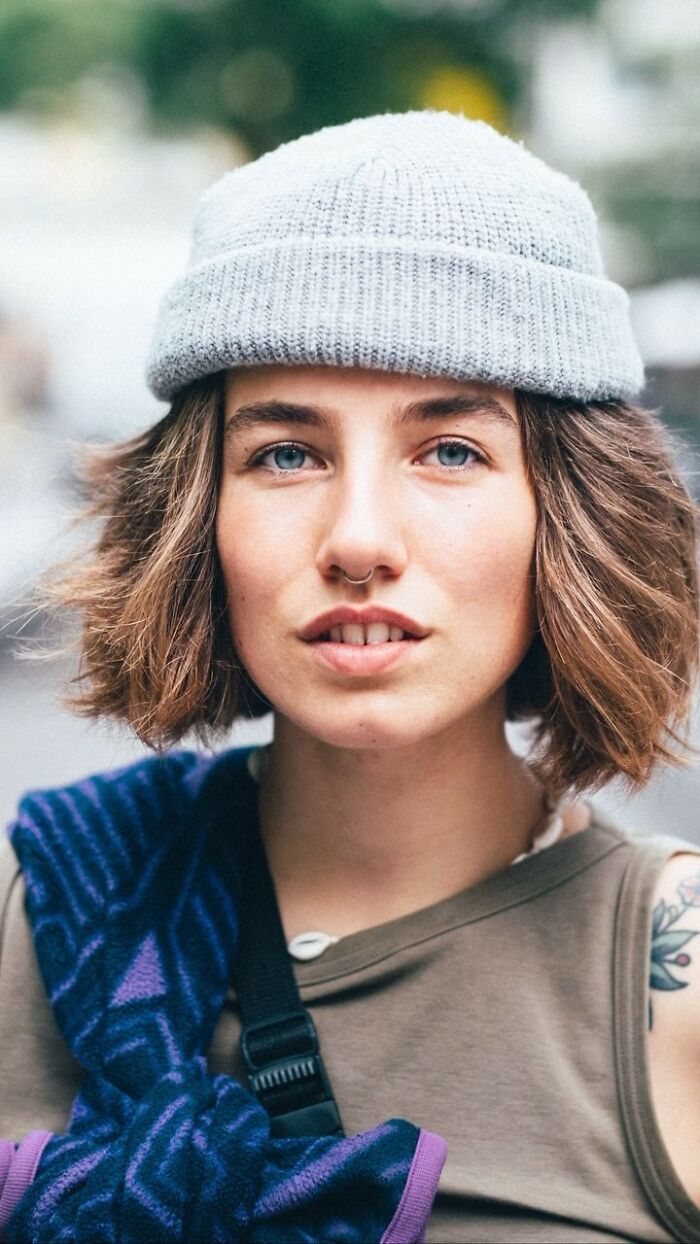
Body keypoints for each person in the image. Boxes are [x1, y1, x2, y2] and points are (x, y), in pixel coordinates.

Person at [0, 108, 699, 1243]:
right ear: (196, 517)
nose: (359, 536)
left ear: (567, 515)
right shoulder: (40, 912)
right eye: (285, 453)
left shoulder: (670, 986)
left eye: (451, 450)